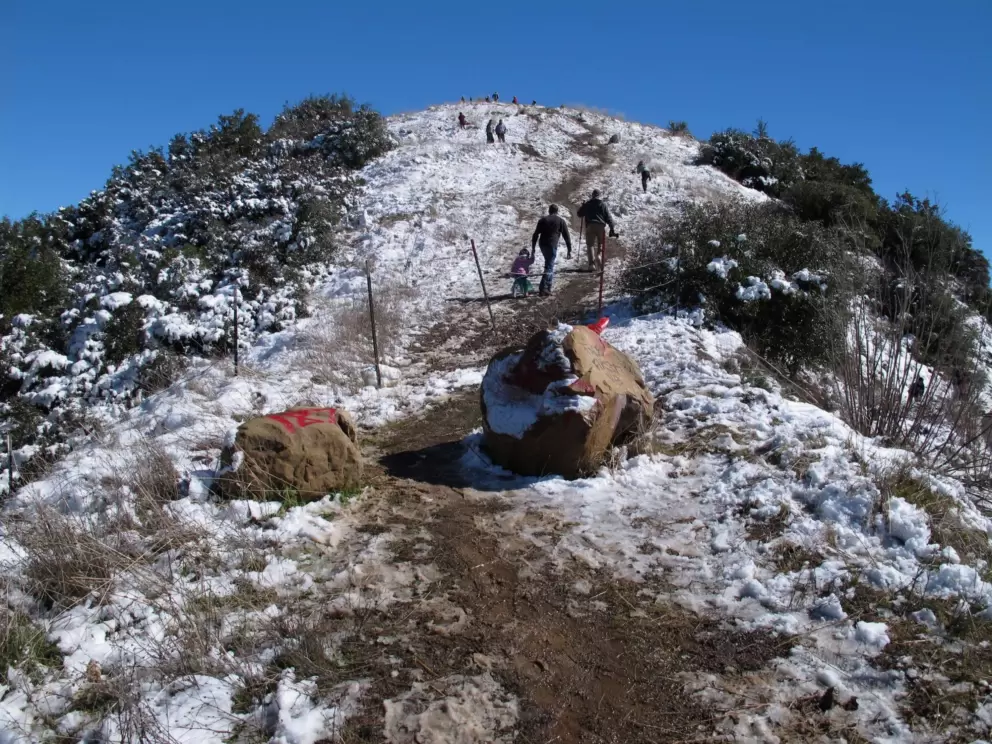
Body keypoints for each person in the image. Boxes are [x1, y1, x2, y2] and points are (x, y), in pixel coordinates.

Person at [530, 204, 572, 296]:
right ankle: (543, 288)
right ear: (557, 212)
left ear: (549, 211)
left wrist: (533, 248)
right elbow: (566, 236)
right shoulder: (561, 221)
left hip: (542, 244)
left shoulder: (543, 220)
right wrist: (569, 249)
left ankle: (548, 287)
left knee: (549, 264)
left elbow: (535, 234)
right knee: (549, 265)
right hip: (552, 245)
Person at [577, 189, 616, 272]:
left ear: (592, 195)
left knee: (590, 245)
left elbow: (579, 214)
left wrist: (583, 206)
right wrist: (611, 227)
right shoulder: (603, 204)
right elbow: (608, 217)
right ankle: (598, 255)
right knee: (600, 243)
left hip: (590, 225)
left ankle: (591, 264)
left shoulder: (588, 204)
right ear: (599, 195)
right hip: (601, 226)